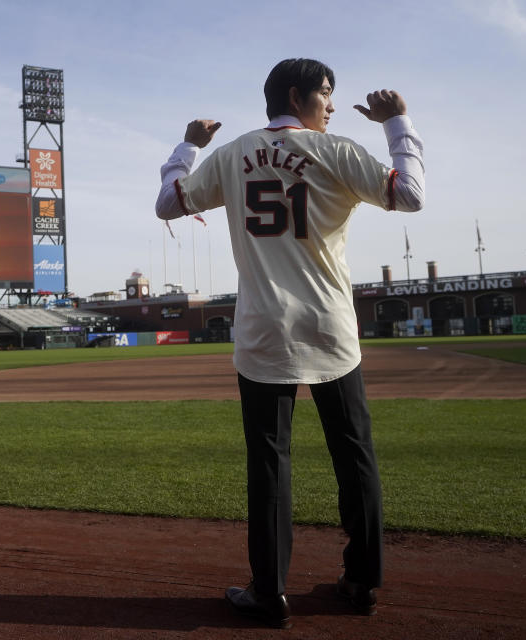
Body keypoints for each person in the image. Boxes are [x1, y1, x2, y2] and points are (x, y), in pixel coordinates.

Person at [155, 58, 425, 628]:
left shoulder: (233, 155)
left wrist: (187, 146)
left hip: (263, 333)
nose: (331, 103)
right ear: (298, 95)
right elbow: (410, 196)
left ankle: (269, 592)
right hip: (331, 329)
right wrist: (397, 124)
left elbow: (168, 204)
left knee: (270, 464)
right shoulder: (341, 151)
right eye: (327, 93)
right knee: (354, 456)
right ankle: (362, 580)